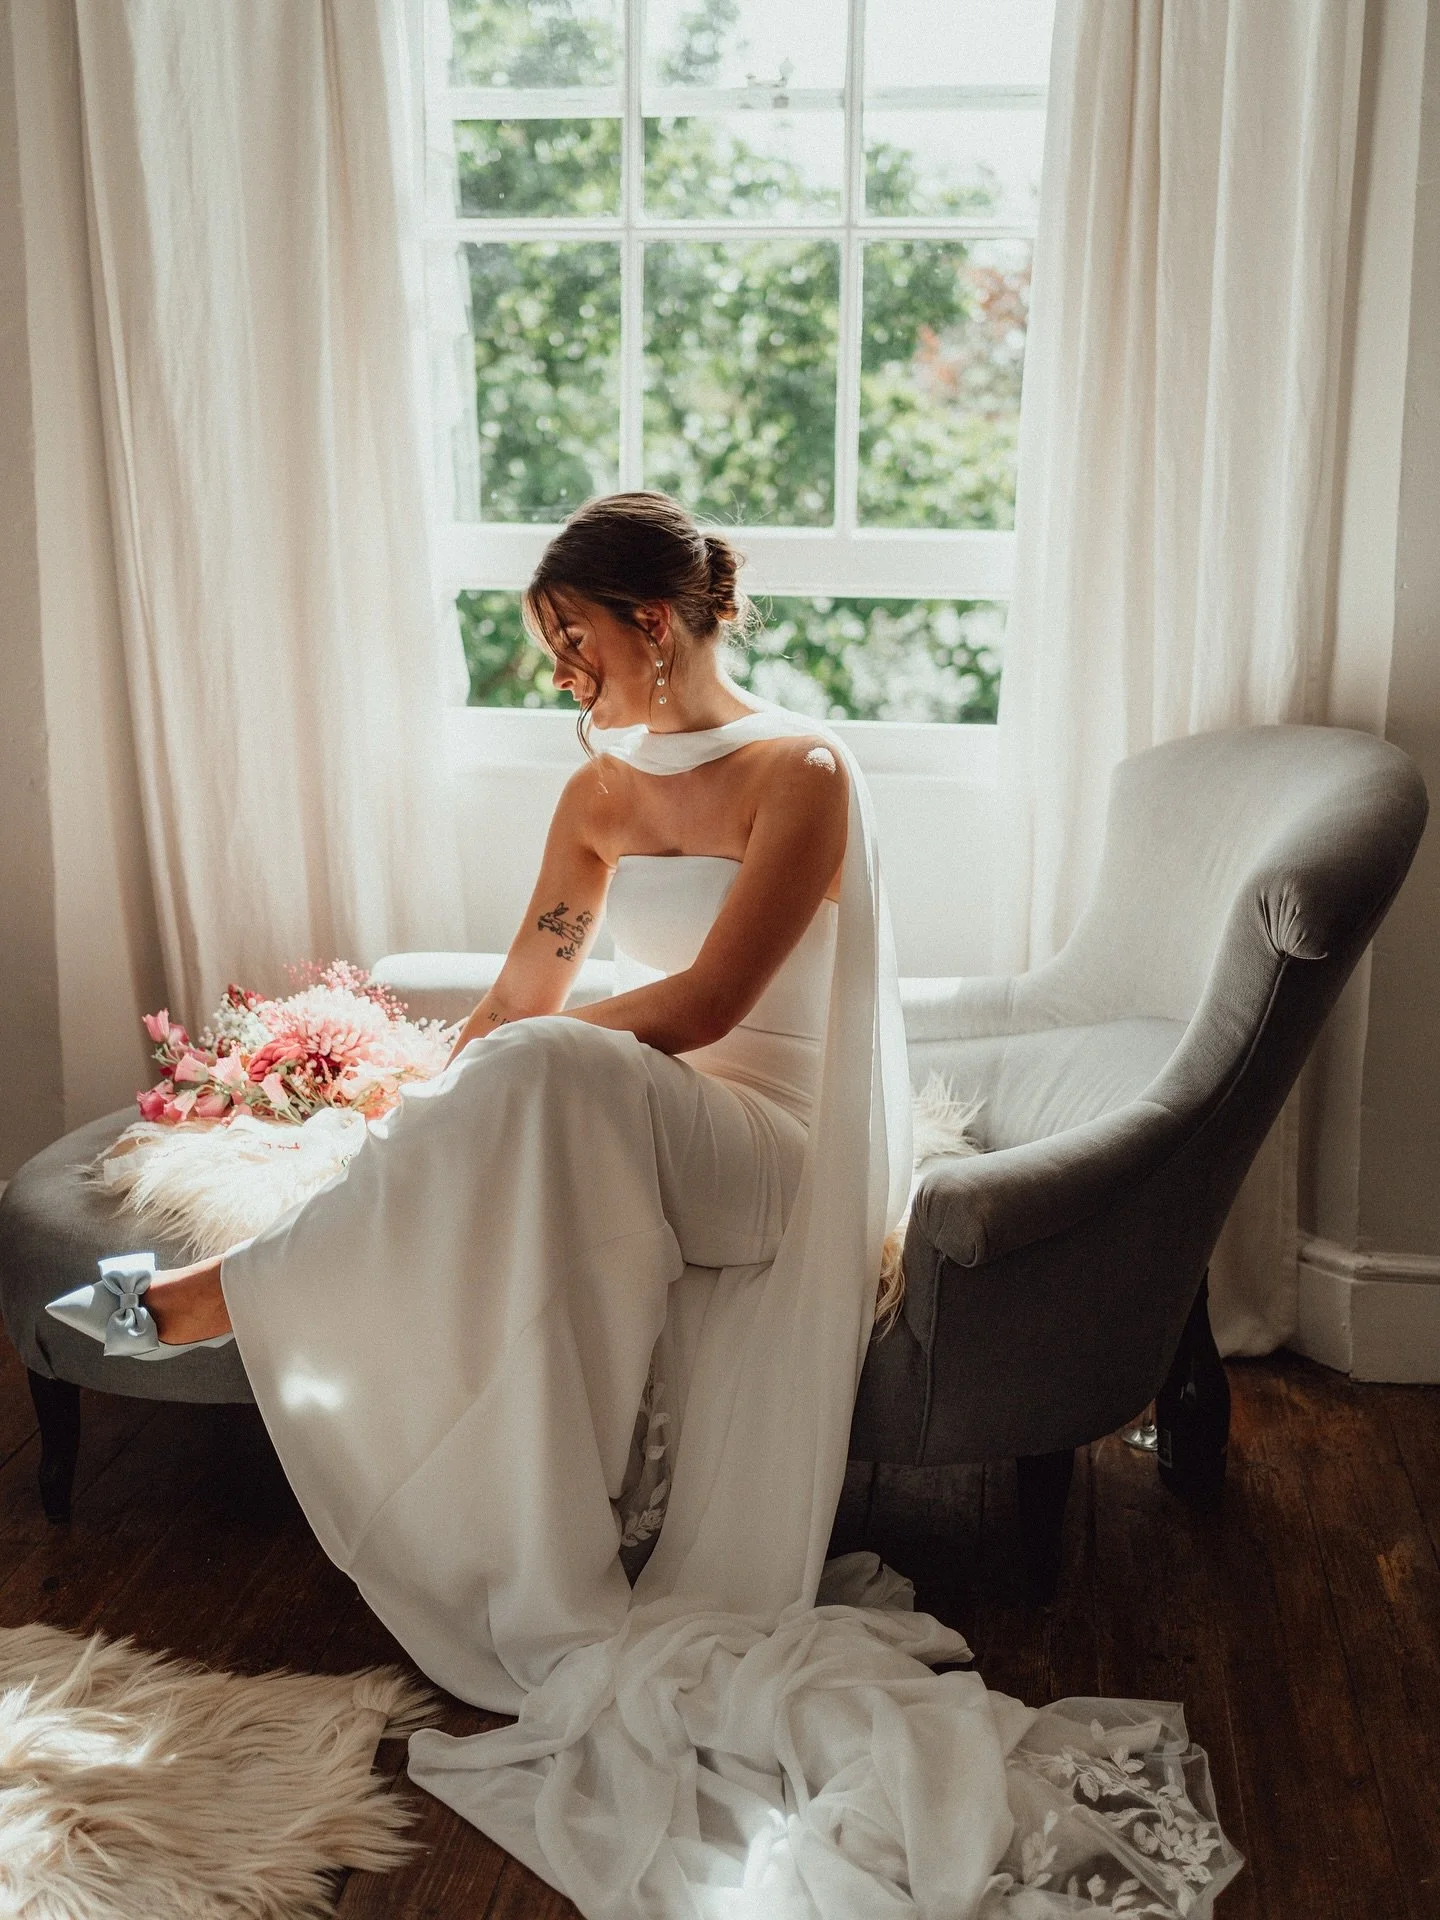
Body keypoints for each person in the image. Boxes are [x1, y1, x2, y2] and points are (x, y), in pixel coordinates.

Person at [50, 494, 1239, 1918]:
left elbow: (714, 1002)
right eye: (552, 651)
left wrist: (523, 1061)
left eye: (576, 643)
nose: (566, 676)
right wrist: (422, 1100)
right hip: (631, 1129)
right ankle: (303, 1271)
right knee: (516, 1073)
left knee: (552, 1068)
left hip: (765, 1152)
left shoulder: (801, 771)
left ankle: (213, 1297)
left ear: (655, 624)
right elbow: (523, 992)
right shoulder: (599, 793)